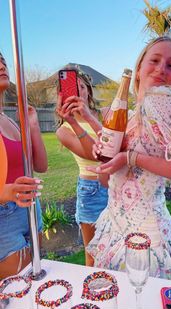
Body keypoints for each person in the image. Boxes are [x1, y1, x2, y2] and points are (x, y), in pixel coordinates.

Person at [86, 36, 171, 281]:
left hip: (147, 237)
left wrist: (132, 157)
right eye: (154, 60)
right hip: (113, 226)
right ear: (138, 70)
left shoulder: (163, 104)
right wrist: (106, 160)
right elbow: (107, 183)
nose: (161, 69)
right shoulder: (130, 115)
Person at [0, 52, 47, 279]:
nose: (1, 65)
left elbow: (40, 165)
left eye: (3, 61)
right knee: (19, 288)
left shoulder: (8, 120)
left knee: (36, 279)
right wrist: (9, 191)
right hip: (4, 216)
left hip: (29, 207)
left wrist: (33, 125)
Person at [55, 65, 108, 266]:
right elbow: (96, 155)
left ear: (88, 91)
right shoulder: (64, 130)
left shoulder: (105, 113)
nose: (78, 93)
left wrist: (88, 116)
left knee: (118, 249)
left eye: (81, 88)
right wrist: (78, 121)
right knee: (93, 255)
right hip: (91, 191)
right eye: (71, 89)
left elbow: (119, 147)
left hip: (118, 187)